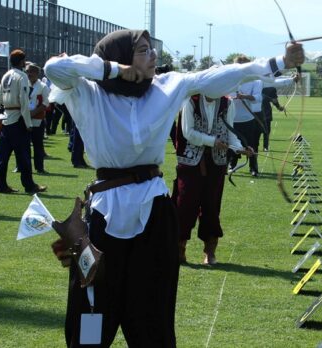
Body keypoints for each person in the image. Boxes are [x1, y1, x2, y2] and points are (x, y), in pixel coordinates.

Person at [44, 29, 303, 347]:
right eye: (142, 50)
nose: (153, 56)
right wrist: (113, 70)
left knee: (153, 310)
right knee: (92, 306)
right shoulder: (87, 91)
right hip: (104, 215)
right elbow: (53, 69)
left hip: (153, 212)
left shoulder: (167, 86)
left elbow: (215, 77)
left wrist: (279, 62)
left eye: (152, 49)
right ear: (121, 58)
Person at [174, 93, 251, 265]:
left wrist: (239, 148)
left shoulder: (227, 103)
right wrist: (212, 141)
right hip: (191, 162)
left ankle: (210, 250)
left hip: (216, 163)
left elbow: (230, 133)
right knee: (185, 204)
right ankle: (179, 247)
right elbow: (188, 132)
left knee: (212, 205)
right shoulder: (191, 100)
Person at [0, 49, 47, 194]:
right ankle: (29, 185)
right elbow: (24, 100)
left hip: (6, 117)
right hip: (18, 118)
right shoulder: (22, 76)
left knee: (3, 155)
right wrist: (28, 123)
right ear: (22, 61)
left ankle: (0, 184)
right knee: (23, 154)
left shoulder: (6, 75)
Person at [24, 62, 50, 174]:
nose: (29, 74)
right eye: (27, 72)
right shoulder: (24, 84)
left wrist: (34, 112)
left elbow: (46, 103)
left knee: (38, 145)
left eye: (31, 72)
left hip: (37, 120)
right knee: (24, 145)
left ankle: (39, 167)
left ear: (36, 73)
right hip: (25, 119)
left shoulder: (43, 87)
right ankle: (22, 166)